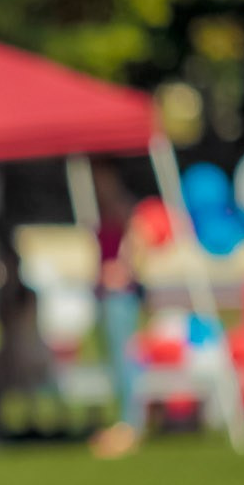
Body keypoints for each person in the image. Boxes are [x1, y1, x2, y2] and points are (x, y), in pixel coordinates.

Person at [88, 161, 144, 459]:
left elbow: (137, 251)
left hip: (120, 295)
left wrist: (121, 271)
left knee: (125, 359)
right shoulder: (101, 210)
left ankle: (131, 423)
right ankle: (122, 420)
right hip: (105, 294)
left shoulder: (125, 210)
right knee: (112, 359)